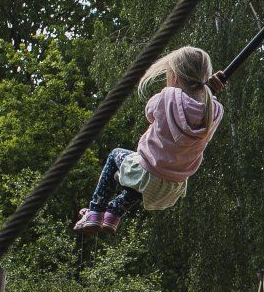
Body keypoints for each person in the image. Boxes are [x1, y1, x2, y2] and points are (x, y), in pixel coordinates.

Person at [74, 46, 225, 235]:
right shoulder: (215, 111)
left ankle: (95, 211)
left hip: (149, 170)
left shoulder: (166, 97)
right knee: (142, 184)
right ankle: (113, 214)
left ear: (175, 76)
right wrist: (206, 92)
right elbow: (198, 109)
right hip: (173, 184)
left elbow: (150, 113)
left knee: (115, 156)